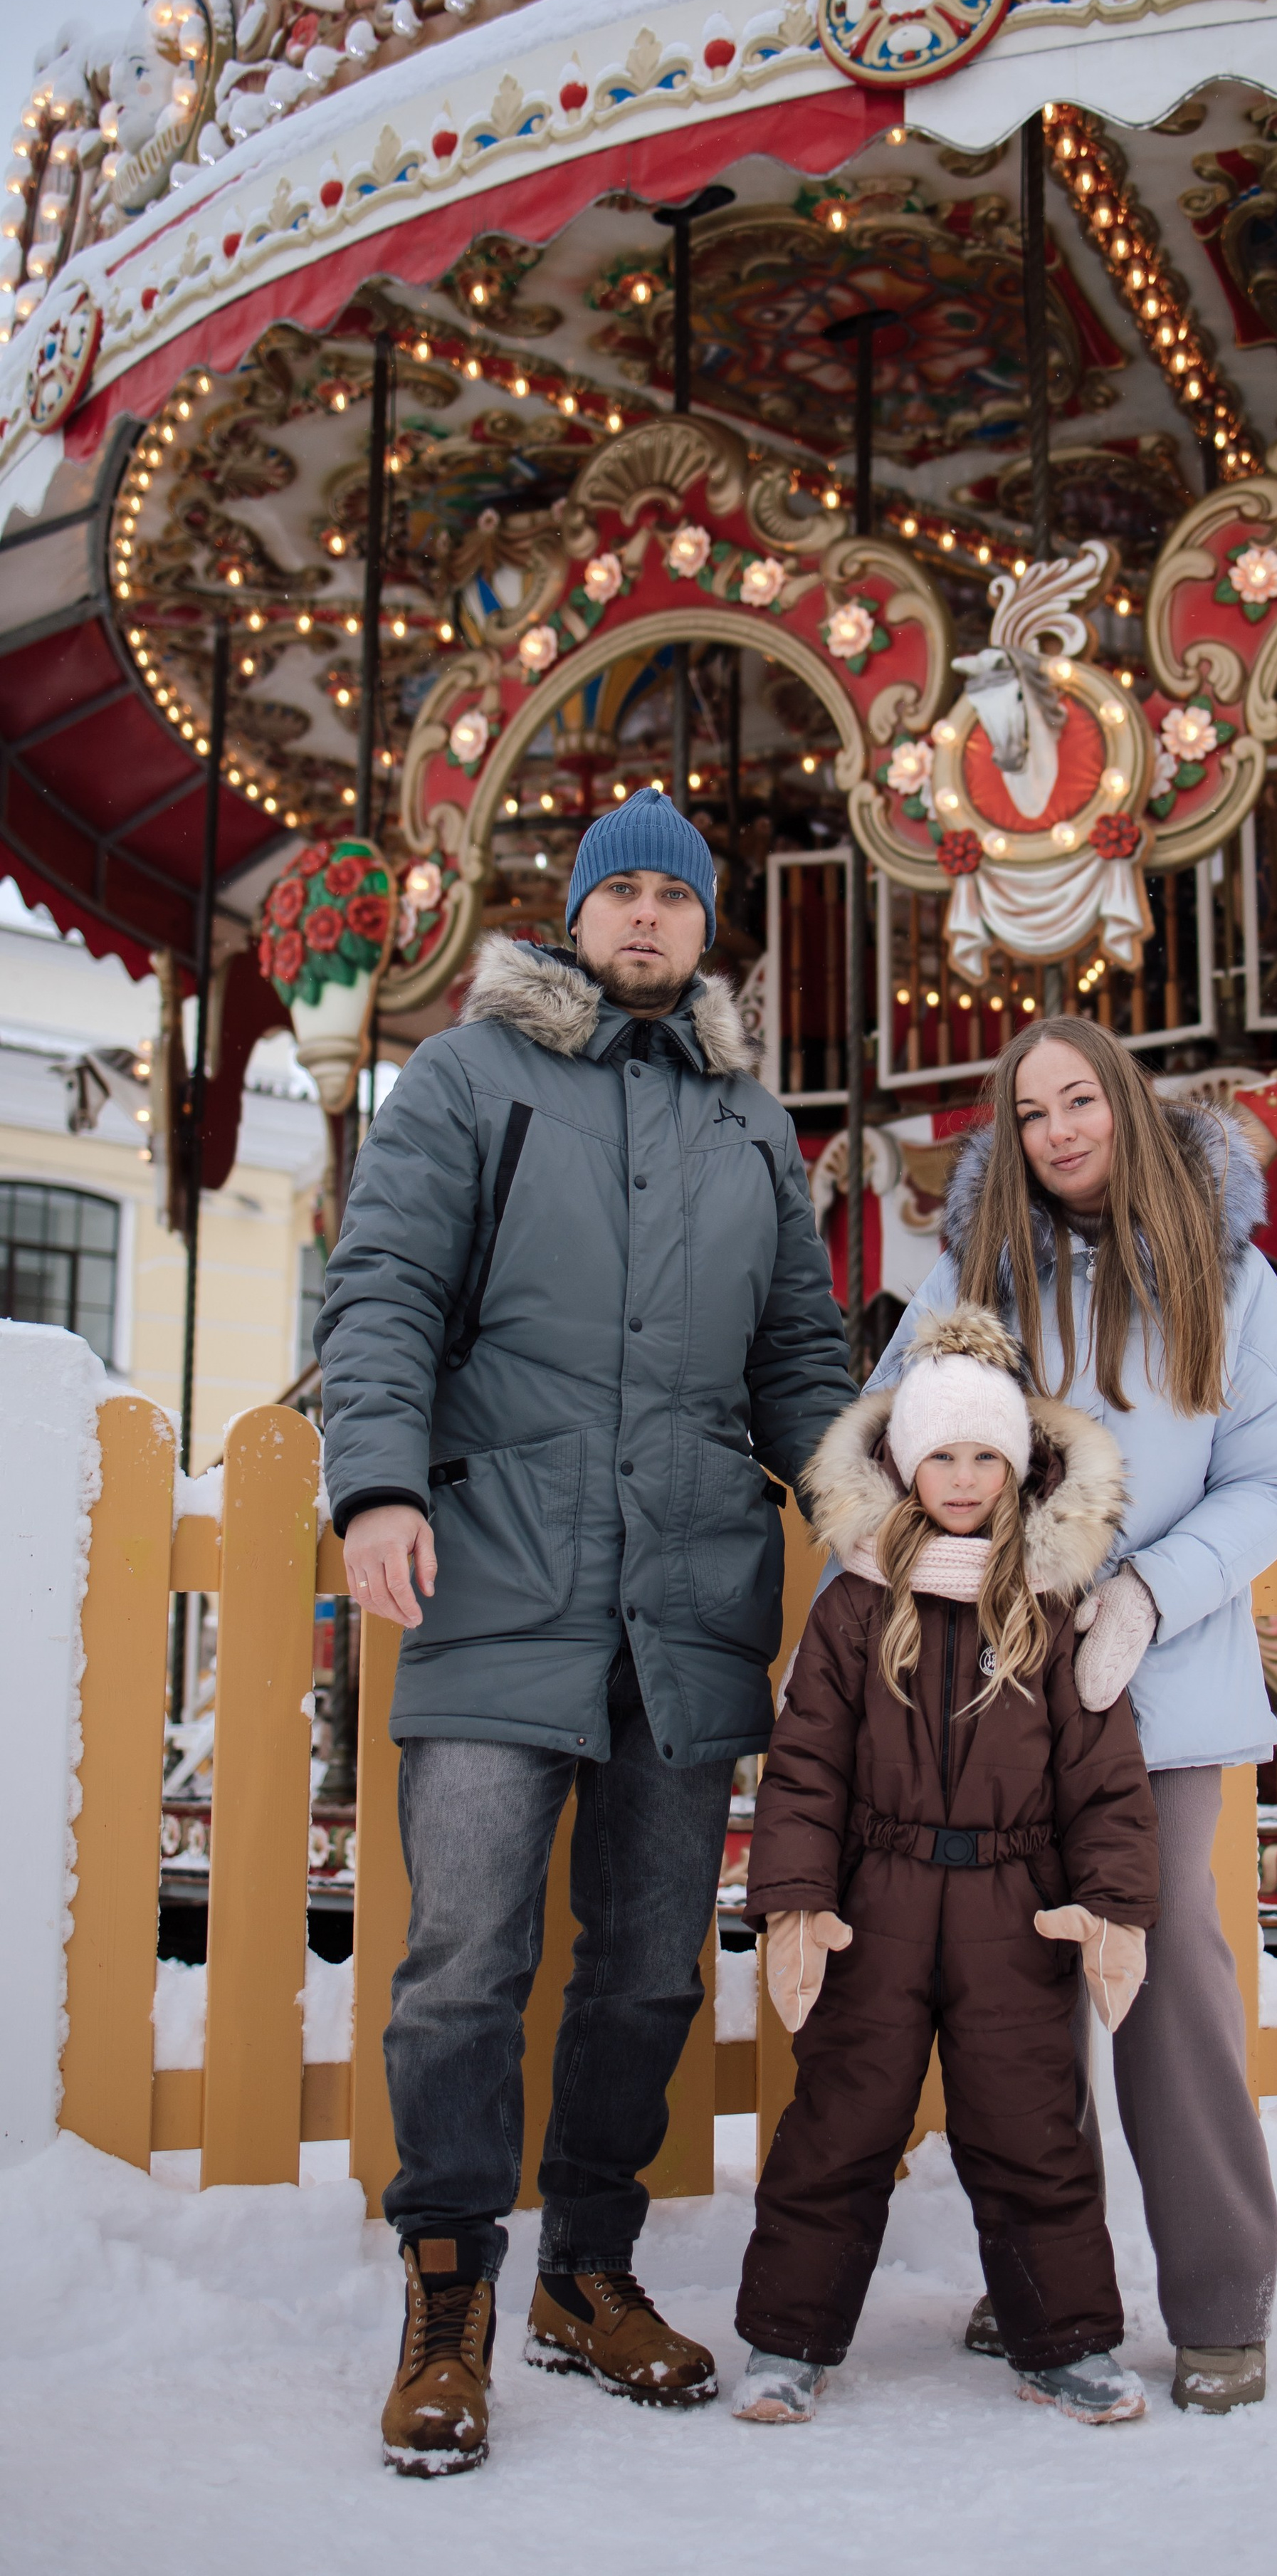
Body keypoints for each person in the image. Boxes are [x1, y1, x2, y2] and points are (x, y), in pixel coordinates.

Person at [317, 788, 853, 2476]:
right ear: (574, 915)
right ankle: (447, 2294)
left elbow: (798, 1351)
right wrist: (375, 1484)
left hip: (684, 1599)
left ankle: (587, 2270)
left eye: (671, 898)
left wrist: (863, 1511)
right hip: (496, 1573)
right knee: (463, 1959)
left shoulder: (749, 1123)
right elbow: (383, 1284)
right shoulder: (469, 1079)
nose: (643, 917)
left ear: (704, 928)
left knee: (643, 1964)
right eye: (617, 891)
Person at [861, 1016, 1277, 2414]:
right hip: (996, 1688)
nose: (1058, 1130)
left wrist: (1147, 1595)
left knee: (1161, 1965)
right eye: (1030, 1111)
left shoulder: (1222, 1275)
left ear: (1124, 1103)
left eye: (1079, 1100)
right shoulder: (973, 1278)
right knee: (1014, 1991)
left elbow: (1275, 1474)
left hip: (1152, 1692)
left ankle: (1221, 2303)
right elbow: (881, 1450)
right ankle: (1042, 2280)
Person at [732, 1304, 1159, 2426]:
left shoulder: (1053, 1612)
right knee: (840, 2124)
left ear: (1016, 1469)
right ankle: (786, 2344)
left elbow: (1104, 1777)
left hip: (1014, 1914)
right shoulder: (855, 1604)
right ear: (904, 1465)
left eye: (985, 1458)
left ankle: (1065, 2343)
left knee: (1032, 2130)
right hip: (875, 1906)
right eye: (942, 1457)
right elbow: (807, 1766)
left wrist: (1112, 1906)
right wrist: (797, 1902)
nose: (963, 1480)